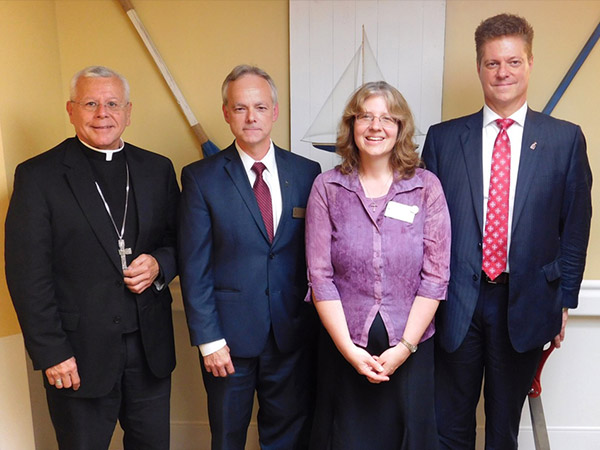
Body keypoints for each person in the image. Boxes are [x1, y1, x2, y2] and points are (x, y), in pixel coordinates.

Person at [421, 13, 592, 449]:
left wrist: (564, 299)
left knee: (503, 429)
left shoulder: (564, 140)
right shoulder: (442, 140)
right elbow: (427, 228)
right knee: (448, 427)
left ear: (530, 63)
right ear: (479, 67)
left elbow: (574, 226)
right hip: (456, 302)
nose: (503, 72)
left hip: (527, 303)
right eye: (493, 63)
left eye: (513, 62)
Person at [5, 66, 179, 450]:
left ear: (129, 111)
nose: (103, 113)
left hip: (149, 349)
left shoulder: (157, 169)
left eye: (113, 103)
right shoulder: (38, 176)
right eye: (91, 103)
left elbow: (179, 239)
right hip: (77, 354)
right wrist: (53, 352)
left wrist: (160, 263)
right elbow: (26, 273)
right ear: (71, 110)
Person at [178, 64, 321, 449]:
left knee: (289, 437)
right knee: (228, 437)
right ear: (226, 113)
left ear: (275, 111)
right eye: (240, 108)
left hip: (292, 336)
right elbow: (195, 267)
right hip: (228, 343)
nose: (251, 117)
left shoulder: (308, 173)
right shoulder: (199, 178)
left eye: (260, 107)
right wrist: (209, 341)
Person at [305, 81, 451, 450]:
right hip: (345, 347)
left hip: (411, 346)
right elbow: (319, 277)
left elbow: (436, 276)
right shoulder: (327, 188)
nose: (375, 126)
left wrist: (403, 347)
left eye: (387, 118)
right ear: (351, 126)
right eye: (365, 116)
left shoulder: (425, 187)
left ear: (400, 128)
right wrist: (350, 351)